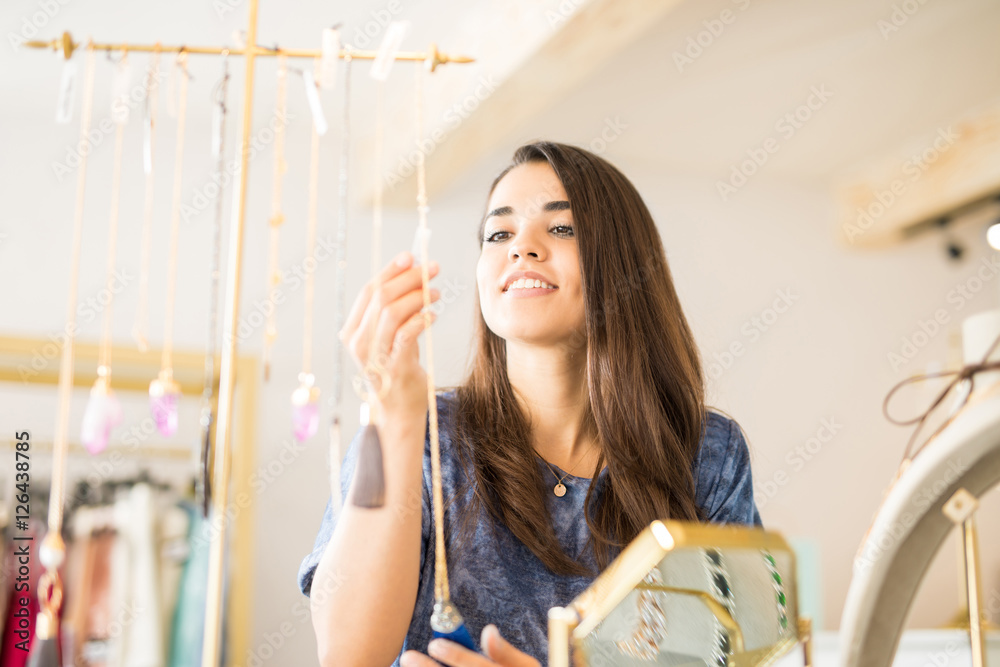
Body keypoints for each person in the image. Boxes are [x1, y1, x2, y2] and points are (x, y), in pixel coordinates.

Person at [297, 141, 762, 667]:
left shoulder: (709, 455)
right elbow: (347, 656)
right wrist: (397, 418)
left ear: (624, 263)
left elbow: (735, 658)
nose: (522, 247)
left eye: (561, 228)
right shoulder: (421, 437)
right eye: (500, 233)